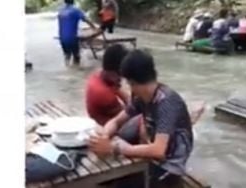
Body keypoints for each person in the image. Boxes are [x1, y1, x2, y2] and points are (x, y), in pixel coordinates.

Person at [89, 50, 202, 188]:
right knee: (111, 181)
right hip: (152, 155)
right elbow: (117, 121)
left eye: (129, 84)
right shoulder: (142, 97)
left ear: (132, 82)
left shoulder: (167, 103)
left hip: (169, 165)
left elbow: (158, 151)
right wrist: (104, 136)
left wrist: (115, 147)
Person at [58, 0, 98, 66]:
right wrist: (94, 28)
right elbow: (86, 20)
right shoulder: (75, 10)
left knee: (67, 55)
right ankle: (76, 69)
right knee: (76, 57)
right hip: (72, 38)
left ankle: (68, 68)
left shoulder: (61, 11)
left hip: (62, 38)